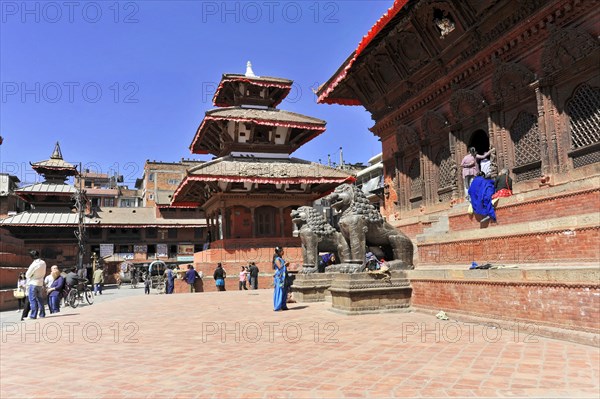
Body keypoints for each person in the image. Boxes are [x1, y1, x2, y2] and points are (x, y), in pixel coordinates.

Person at [25, 250, 46, 319]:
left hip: (33, 283)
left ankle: (33, 315)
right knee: (40, 299)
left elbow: (27, 275)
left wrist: (32, 275)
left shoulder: (34, 264)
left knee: (32, 299)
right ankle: (42, 314)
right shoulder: (43, 262)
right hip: (40, 283)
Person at [272, 246, 288, 311]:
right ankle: (277, 306)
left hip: (283, 277)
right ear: (279, 252)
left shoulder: (281, 259)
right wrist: (285, 265)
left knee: (284, 291)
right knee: (279, 291)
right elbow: (280, 267)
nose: (283, 252)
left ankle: (283, 305)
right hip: (279, 278)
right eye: (282, 250)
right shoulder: (277, 259)